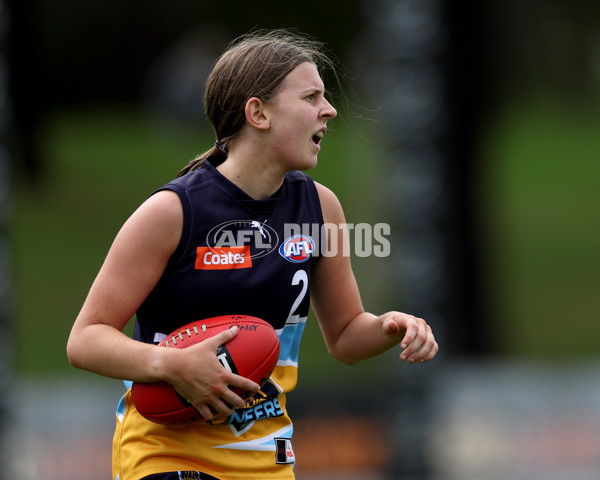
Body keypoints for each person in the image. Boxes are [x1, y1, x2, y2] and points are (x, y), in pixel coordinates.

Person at [66, 29, 439, 480]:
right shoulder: (171, 212)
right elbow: (85, 339)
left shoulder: (322, 209)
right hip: (166, 456)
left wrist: (390, 326)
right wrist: (171, 364)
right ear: (258, 113)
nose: (330, 109)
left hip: (265, 459)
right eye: (311, 97)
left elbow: (344, 336)